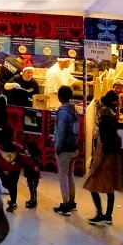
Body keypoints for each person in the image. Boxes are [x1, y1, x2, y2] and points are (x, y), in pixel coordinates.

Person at [84, 91, 123, 226]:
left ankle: (100, 213)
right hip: (112, 155)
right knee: (109, 188)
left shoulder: (105, 118)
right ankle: (108, 215)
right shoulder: (111, 116)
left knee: (92, 185)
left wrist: (96, 162)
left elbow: (104, 141)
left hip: (105, 156)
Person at [52, 85, 80, 216]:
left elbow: (61, 132)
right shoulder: (74, 110)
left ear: (60, 97)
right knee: (70, 175)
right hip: (73, 147)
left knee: (63, 177)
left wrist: (57, 148)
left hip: (64, 150)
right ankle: (72, 202)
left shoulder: (62, 112)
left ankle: (65, 205)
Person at [0, 136, 36, 212]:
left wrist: (33, 165)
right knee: (8, 185)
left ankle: (13, 203)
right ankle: (13, 201)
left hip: (15, 170)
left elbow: (25, 158)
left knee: (12, 185)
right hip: (7, 171)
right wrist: (3, 170)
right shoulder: (0, 151)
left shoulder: (17, 149)